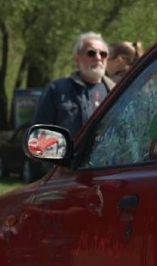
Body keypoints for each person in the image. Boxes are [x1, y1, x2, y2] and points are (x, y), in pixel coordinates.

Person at [28, 32, 109, 180]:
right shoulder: (57, 90)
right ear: (76, 59)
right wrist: (61, 162)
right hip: (67, 178)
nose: (98, 58)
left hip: (108, 176)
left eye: (103, 54)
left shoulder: (117, 91)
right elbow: (39, 140)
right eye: (91, 53)